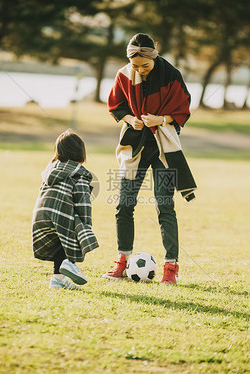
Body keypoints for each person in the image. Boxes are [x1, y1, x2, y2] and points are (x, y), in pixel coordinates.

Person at [103, 33, 197, 285]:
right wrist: (129, 119)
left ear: (154, 57)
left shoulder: (171, 75)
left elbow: (183, 108)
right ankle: (122, 261)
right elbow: (116, 106)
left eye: (145, 65)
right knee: (124, 204)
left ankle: (171, 267)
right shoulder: (124, 74)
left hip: (164, 148)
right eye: (136, 66)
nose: (140, 70)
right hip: (135, 146)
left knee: (165, 205)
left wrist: (162, 119)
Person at [32, 130, 99, 289]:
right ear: (81, 152)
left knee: (59, 241)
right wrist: (86, 226)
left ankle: (57, 279)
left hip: (40, 213)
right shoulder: (80, 174)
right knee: (76, 228)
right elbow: (83, 203)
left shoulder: (51, 170)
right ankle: (70, 263)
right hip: (60, 213)